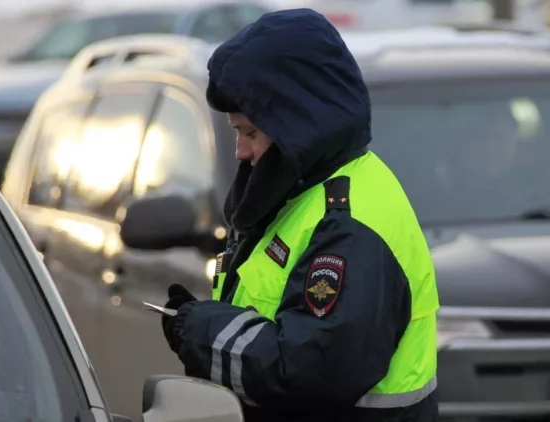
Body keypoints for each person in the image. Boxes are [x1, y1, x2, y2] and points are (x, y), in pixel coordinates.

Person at [160, 8, 440, 422]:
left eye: (250, 132)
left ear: (298, 127)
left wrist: (201, 330)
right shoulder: (303, 192)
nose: (241, 151)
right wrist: (201, 325)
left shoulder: (347, 220)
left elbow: (310, 372)